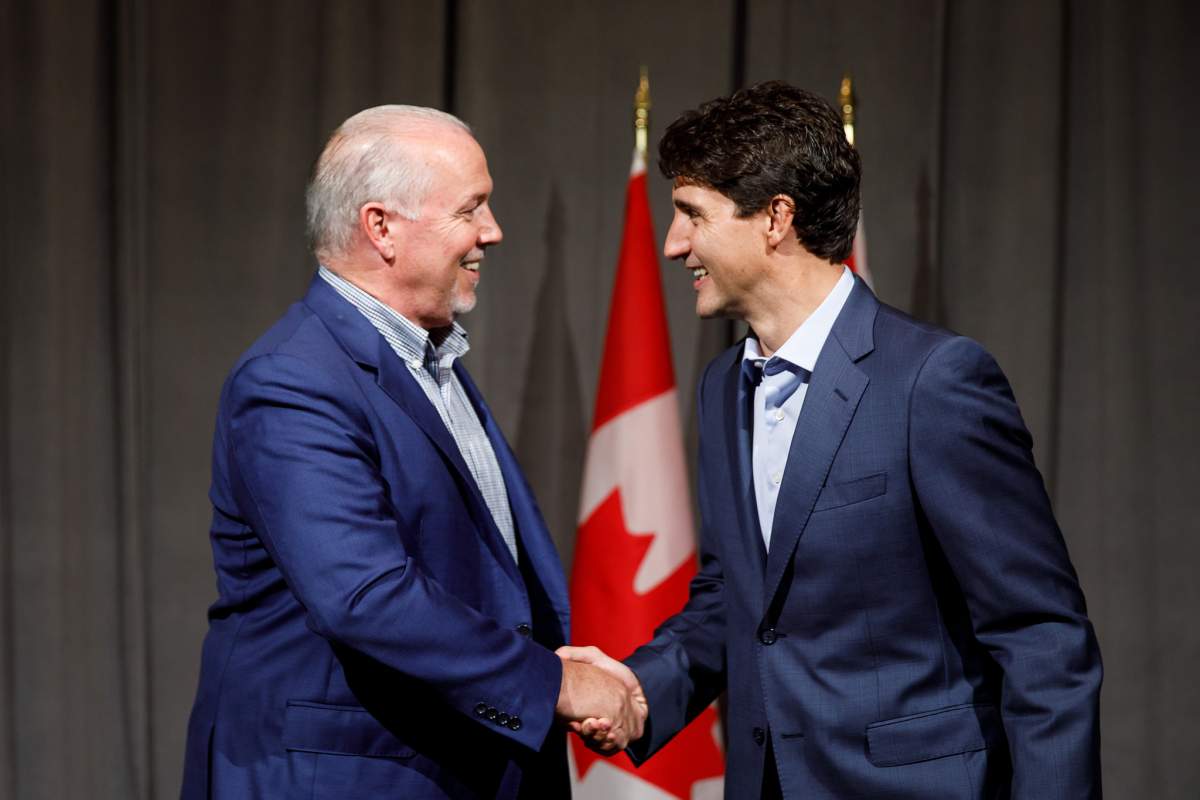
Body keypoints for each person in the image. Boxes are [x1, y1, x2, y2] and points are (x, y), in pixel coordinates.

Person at [560, 82, 1102, 798]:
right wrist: (640, 696)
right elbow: (736, 599)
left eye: (692, 215)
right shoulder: (724, 385)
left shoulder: (933, 382)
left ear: (775, 219)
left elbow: (1041, 637)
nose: (673, 245)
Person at [180, 105, 642, 800]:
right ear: (382, 227)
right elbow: (364, 595)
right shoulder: (292, 381)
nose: (493, 231)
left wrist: (545, 666)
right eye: (471, 209)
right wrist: (553, 682)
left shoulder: (430, 363)